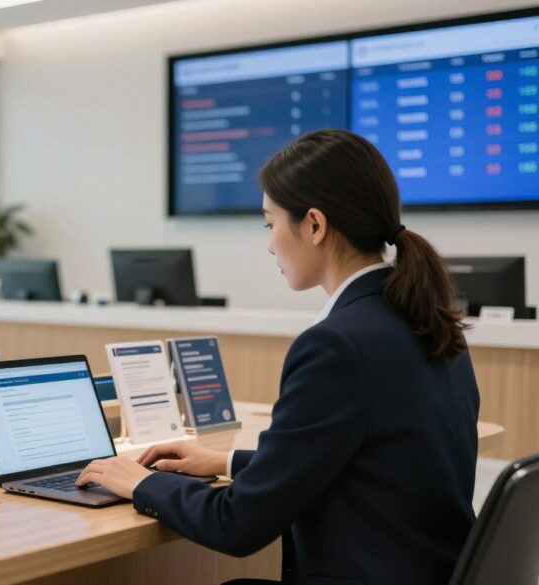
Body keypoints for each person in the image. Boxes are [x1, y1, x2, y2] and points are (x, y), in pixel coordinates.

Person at [76, 129, 480, 585]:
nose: (270, 245)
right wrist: (226, 462)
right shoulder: (431, 322)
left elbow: (238, 524)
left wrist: (140, 483)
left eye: (271, 225)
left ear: (313, 224)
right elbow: (366, 462)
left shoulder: (336, 346)